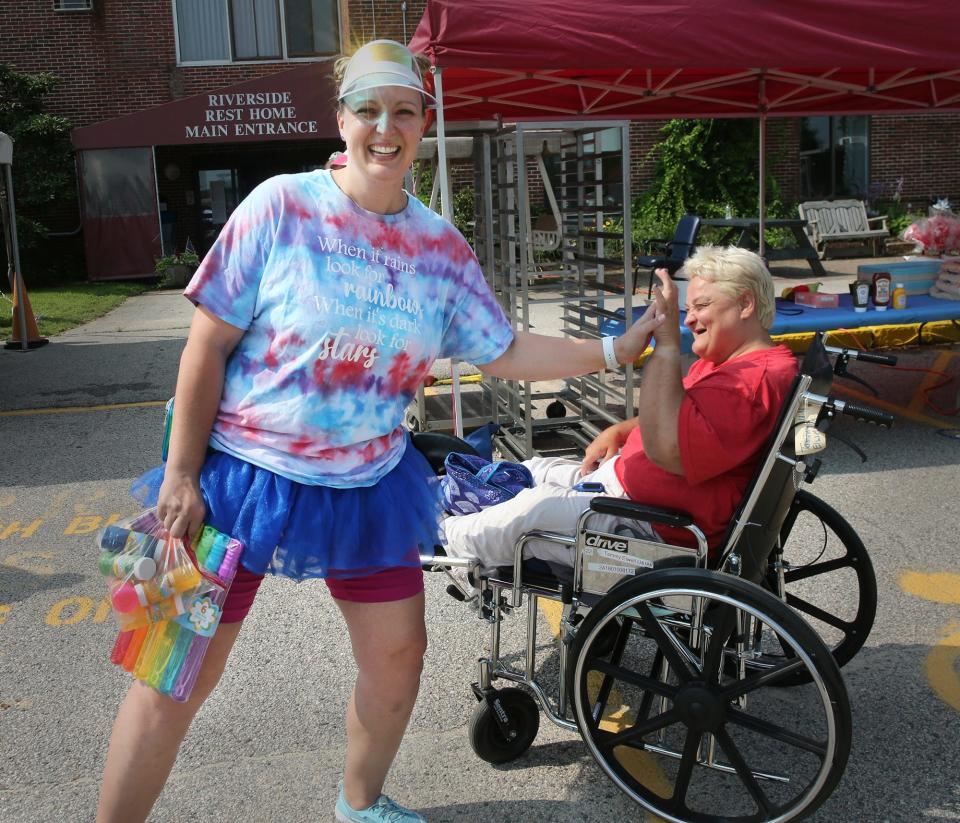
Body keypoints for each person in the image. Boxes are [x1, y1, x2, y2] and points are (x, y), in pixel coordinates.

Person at [95, 39, 664, 823]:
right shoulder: (280, 207)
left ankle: (359, 803)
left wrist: (612, 347)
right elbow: (207, 344)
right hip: (235, 481)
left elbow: (503, 348)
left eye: (403, 110)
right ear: (342, 118)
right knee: (171, 677)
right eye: (369, 109)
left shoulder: (439, 247)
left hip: (367, 486)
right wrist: (180, 474)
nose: (385, 127)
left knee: (399, 657)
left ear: (424, 122)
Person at [443, 245, 799, 575]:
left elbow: (669, 450)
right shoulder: (735, 364)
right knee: (533, 470)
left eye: (701, 306)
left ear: (746, 304)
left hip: (653, 528)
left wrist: (666, 347)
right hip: (625, 488)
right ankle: (455, 500)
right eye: (688, 309)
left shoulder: (751, 383)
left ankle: (441, 539)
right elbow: (680, 413)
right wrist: (622, 431)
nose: (689, 320)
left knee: (532, 511)